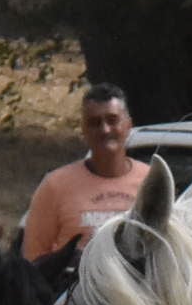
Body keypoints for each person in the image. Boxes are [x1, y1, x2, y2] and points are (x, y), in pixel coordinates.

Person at [21, 84, 151, 260]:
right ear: (84, 130)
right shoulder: (55, 186)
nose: (105, 130)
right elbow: (33, 260)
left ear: (128, 125)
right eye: (95, 123)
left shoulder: (150, 182)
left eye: (112, 120)